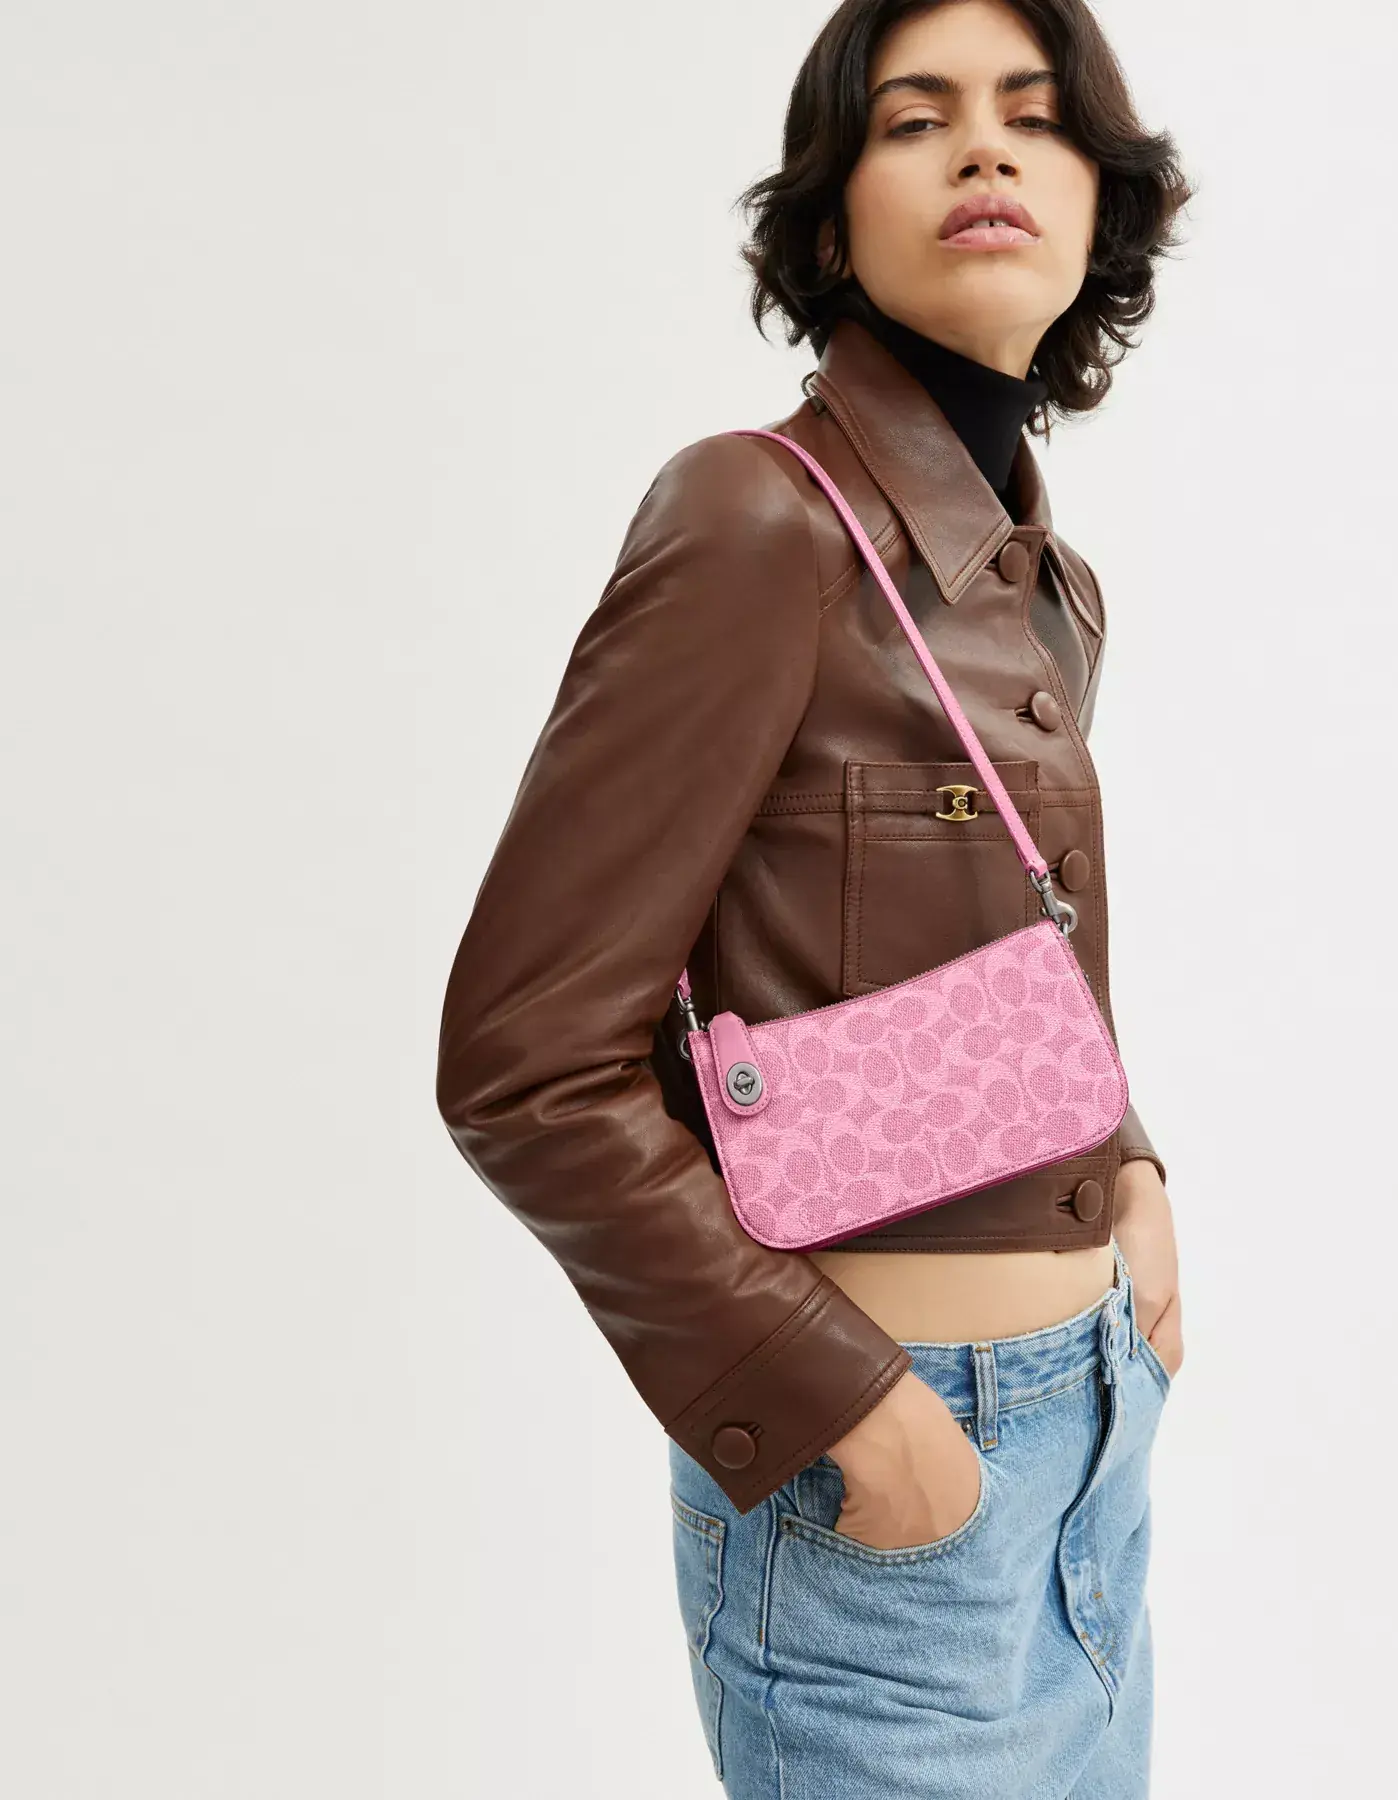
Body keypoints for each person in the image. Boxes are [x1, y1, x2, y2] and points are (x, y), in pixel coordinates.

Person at [434, 1, 1193, 1792]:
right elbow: (524, 1066)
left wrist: (1134, 1168)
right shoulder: (754, 520)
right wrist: (838, 1400)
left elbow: (1000, 947)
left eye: (1033, 116)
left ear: (1100, 198)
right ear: (833, 223)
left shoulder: (1046, 587)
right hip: (887, 1518)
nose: (985, 147)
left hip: (1092, 1458)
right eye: (916, 120)